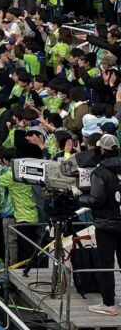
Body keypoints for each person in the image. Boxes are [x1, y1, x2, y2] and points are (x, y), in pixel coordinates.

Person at [78, 134, 121, 316]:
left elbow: (97, 199)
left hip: (106, 225)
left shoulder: (100, 172)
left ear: (102, 150)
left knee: (106, 264)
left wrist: (79, 197)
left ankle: (109, 304)